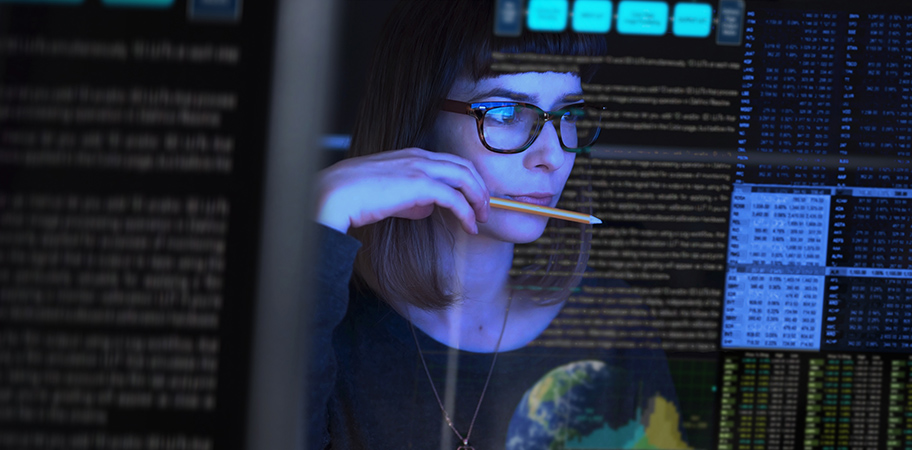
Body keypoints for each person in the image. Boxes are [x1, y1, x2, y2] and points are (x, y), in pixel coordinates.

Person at [309, 1, 686, 449]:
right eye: (506, 113)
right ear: (418, 119)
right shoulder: (323, 319)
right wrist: (320, 218)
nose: (551, 156)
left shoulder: (613, 324)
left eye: (569, 115)